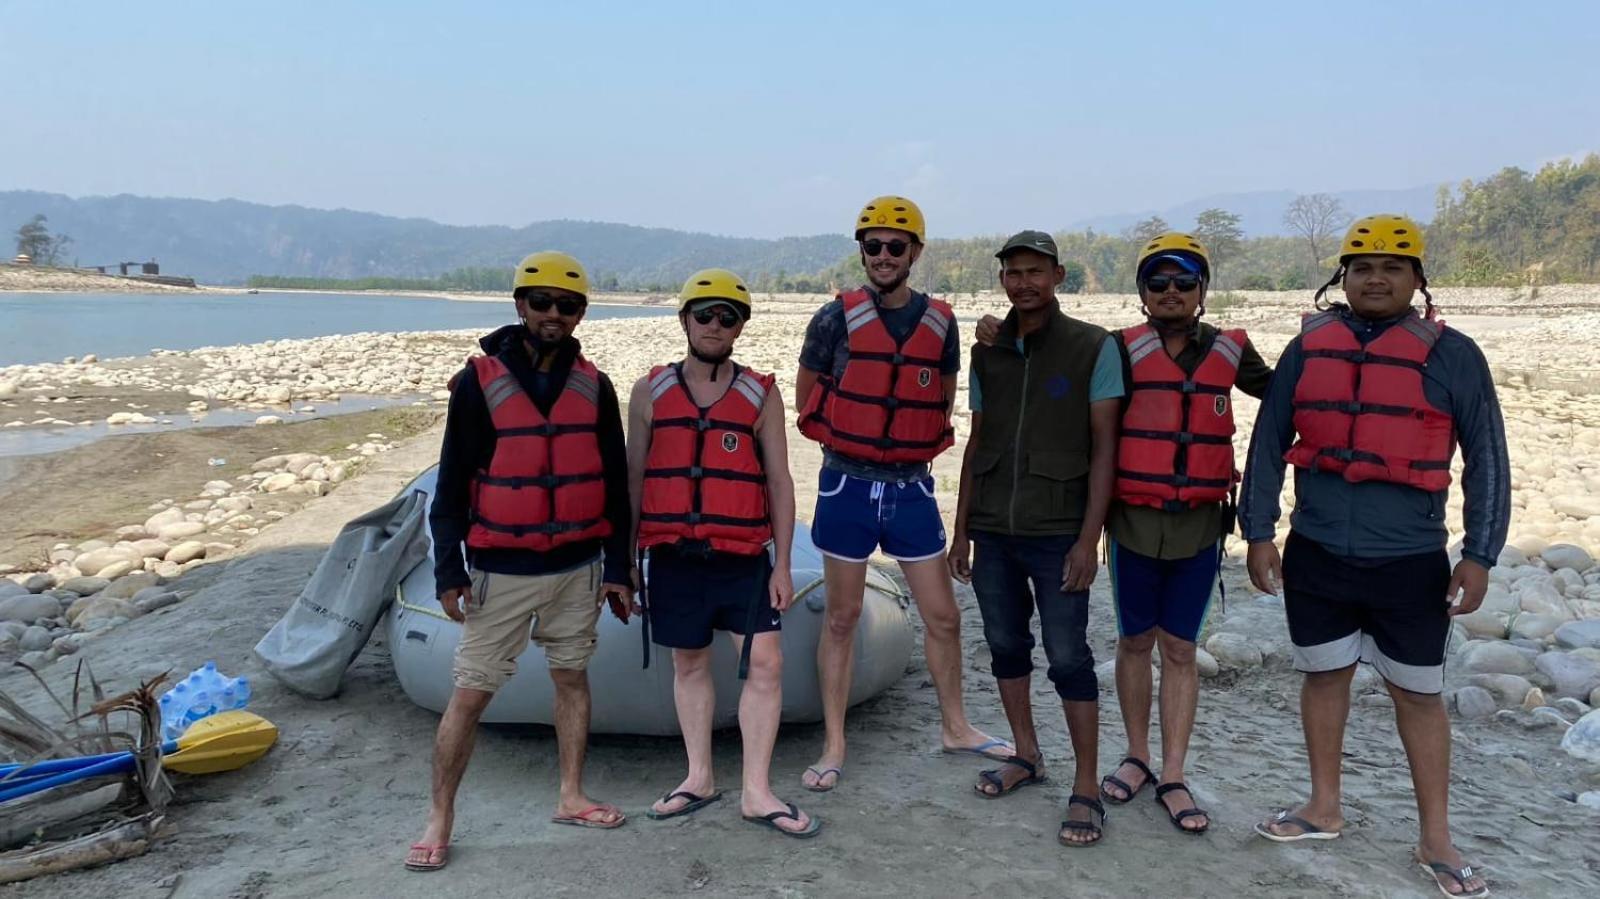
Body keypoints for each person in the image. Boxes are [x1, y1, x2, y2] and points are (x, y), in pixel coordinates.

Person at [1240, 215, 1509, 898]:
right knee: (1323, 677)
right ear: (1343, 277)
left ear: (1418, 279)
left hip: (1410, 559)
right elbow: (1269, 440)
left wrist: (1480, 552)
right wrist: (1260, 531)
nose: (1377, 277)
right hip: (1320, 552)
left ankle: (1436, 836)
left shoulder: (1454, 354)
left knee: (1418, 693)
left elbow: (1486, 457)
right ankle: (1322, 806)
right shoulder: (1309, 347)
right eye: (1362, 267)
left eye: (1393, 266)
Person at [407, 251, 636, 872]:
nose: (553, 314)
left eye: (567, 305)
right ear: (519, 306)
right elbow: (451, 487)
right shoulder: (478, 383)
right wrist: (449, 572)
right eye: (541, 302)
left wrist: (619, 567)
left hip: (577, 567)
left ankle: (571, 795)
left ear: (581, 312)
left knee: (571, 678)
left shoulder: (596, 384)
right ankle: (440, 817)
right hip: (500, 570)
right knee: (470, 694)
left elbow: (615, 486)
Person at [794, 195, 1009, 793]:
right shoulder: (833, 318)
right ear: (861, 251)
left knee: (943, 615)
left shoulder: (940, 322)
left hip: (911, 487)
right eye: (873, 246)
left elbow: (941, 397)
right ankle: (834, 744)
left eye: (895, 246)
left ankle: (956, 726)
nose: (883, 255)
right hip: (846, 484)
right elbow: (806, 394)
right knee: (841, 617)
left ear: (914, 252)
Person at [1075, 232, 1273, 836]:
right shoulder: (1118, 349)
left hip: (1199, 525)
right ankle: (1136, 755)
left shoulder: (1233, 351)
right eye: (1157, 283)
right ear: (1141, 293)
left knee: (1181, 649)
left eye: (1184, 281)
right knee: (1135, 642)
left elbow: (1290, 394)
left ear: (1203, 291)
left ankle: (1174, 772)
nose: (1170, 292)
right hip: (1133, 520)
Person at [627, 269, 818, 838]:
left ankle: (757, 791)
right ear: (684, 319)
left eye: (727, 316)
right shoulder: (649, 391)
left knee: (767, 663)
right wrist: (625, 565)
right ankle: (699, 777)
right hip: (673, 557)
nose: (715, 324)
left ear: (741, 326)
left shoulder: (761, 392)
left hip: (743, 558)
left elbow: (780, 483)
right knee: (688, 663)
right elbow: (635, 480)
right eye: (704, 314)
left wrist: (782, 563)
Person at [951, 230, 1123, 847]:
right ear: (1001, 279)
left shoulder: (1092, 347)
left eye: (1035, 271)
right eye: (1012, 273)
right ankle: (1026, 754)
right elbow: (977, 441)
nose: (1023, 282)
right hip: (994, 528)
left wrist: (1089, 539)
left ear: (1058, 276)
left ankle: (1085, 784)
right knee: (1004, 645)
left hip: (1058, 532)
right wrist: (961, 528)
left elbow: (1105, 450)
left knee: (1069, 655)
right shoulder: (988, 352)